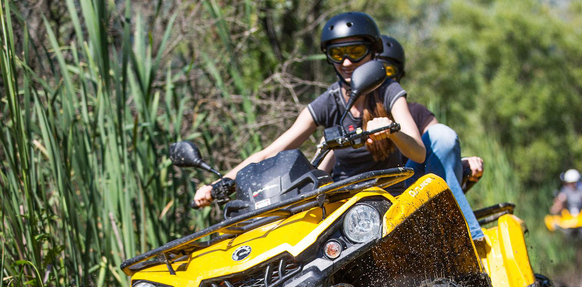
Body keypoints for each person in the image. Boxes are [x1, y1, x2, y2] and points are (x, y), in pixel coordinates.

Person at [194, 12, 425, 208]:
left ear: (373, 52)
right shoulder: (329, 101)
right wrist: (219, 184)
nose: (346, 62)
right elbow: (271, 152)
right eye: (337, 54)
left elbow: (418, 153)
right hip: (342, 200)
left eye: (355, 52)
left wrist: (392, 131)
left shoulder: (388, 91)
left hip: (388, 196)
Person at [377, 35, 485, 241]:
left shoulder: (416, 112)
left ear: (399, 75)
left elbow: (442, 146)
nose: (380, 79)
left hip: (413, 190)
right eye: (374, 72)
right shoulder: (354, 115)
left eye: (387, 72)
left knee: (442, 134)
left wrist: (462, 162)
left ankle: (463, 235)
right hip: (374, 200)